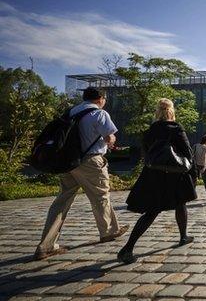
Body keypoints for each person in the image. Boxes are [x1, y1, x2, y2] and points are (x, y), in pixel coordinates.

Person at [34, 87, 128, 260]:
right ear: (100, 98)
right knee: (100, 196)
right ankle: (109, 231)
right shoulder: (100, 114)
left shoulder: (71, 112)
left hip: (68, 162)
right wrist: (112, 140)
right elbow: (109, 137)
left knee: (62, 201)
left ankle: (45, 245)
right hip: (90, 161)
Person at [118, 98, 197, 264]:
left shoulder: (150, 131)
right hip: (175, 175)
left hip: (154, 175)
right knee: (180, 203)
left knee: (152, 211)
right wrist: (193, 175)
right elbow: (188, 154)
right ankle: (183, 236)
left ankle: (129, 247)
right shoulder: (176, 128)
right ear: (171, 111)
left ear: (158, 111)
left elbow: (147, 154)